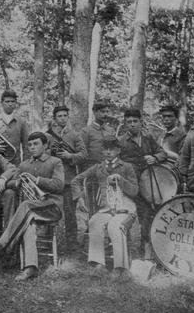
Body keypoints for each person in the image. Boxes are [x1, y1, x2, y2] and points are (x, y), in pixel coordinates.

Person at [0, 132, 64, 281]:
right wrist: (16, 183)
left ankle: (2, 244)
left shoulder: (55, 162)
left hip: (52, 207)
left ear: (45, 146)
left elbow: (59, 185)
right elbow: (11, 181)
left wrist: (37, 180)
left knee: (25, 205)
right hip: (33, 210)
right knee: (28, 224)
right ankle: (30, 267)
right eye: (30, 145)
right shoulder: (24, 164)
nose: (32, 147)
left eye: (36, 144)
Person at [71, 138, 138, 276]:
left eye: (112, 149)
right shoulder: (98, 167)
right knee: (94, 222)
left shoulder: (126, 167)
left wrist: (120, 179)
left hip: (124, 208)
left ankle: (120, 268)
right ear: (102, 151)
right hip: (106, 209)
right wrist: (79, 198)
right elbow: (76, 180)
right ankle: (98, 263)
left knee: (115, 226)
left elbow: (135, 191)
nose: (108, 152)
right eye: (106, 149)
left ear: (118, 151)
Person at [118, 108, 167, 259]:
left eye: (135, 121)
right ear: (125, 124)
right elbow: (114, 162)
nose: (132, 124)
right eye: (129, 122)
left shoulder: (148, 138)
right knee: (124, 217)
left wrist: (155, 158)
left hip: (146, 186)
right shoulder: (120, 142)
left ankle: (146, 251)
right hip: (127, 186)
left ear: (141, 122)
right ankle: (123, 252)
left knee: (146, 217)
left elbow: (162, 152)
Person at [47, 105, 87, 248]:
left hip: (69, 179)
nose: (63, 118)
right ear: (55, 118)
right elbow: (43, 154)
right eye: (60, 116)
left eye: (65, 115)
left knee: (70, 213)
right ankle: (49, 241)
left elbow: (84, 155)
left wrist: (70, 156)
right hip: (53, 178)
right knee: (49, 209)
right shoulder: (48, 135)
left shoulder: (75, 135)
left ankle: (71, 242)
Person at [0, 90, 29, 165]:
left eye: (12, 101)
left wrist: (25, 164)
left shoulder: (21, 121)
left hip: (15, 163)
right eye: (7, 101)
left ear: (16, 103)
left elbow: (26, 146)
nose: (10, 104)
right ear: (2, 103)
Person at [80, 100, 116, 170]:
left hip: (109, 168)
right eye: (102, 111)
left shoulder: (111, 130)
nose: (105, 114)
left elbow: (113, 150)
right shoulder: (86, 131)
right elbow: (82, 154)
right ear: (95, 112)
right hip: (92, 168)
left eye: (107, 111)